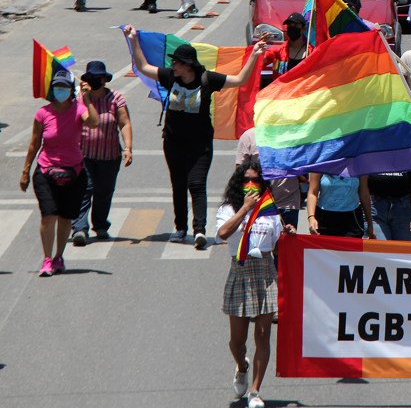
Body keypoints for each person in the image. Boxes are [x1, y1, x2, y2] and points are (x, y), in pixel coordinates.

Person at [124, 25, 266, 248]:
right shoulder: (170, 76)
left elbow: (240, 80)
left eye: (176, 62)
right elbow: (143, 67)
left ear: (188, 65)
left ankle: (199, 230)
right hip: (173, 142)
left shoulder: (207, 79)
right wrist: (133, 39)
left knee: (197, 184)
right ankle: (180, 228)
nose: (172, 65)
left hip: (200, 144)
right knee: (178, 184)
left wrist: (255, 54)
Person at [216, 160, 295, 408]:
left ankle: (255, 391)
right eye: (246, 180)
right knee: (237, 341)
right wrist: (245, 209)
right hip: (240, 271)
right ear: (238, 184)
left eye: (256, 181)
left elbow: (278, 247)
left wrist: (288, 236)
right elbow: (222, 233)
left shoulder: (270, 210)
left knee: (262, 335)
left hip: (265, 274)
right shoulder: (229, 208)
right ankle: (242, 366)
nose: (251, 185)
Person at [21, 70, 99, 276]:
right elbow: (34, 143)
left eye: (64, 87)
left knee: (65, 217)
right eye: (57, 87)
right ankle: (47, 259)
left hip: (74, 172)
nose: (60, 90)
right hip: (46, 171)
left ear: (72, 90)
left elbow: (93, 123)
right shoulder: (42, 113)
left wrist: (87, 99)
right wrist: (26, 170)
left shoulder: (79, 110)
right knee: (49, 215)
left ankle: (58, 257)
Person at [71, 62, 132, 246]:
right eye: (91, 77)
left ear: (105, 79)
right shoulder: (78, 99)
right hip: (84, 155)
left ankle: (100, 225)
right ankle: (79, 228)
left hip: (109, 155)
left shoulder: (115, 98)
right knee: (84, 190)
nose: (95, 80)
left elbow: (124, 123)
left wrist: (128, 148)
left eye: (98, 77)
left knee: (104, 192)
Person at [234, 127, 302, 233]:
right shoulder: (249, 136)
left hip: (287, 203)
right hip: (257, 204)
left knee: (285, 243)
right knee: (257, 243)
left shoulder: (294, 135)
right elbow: (240, 174)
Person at [306, 172, 373, 239]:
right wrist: (311, 217)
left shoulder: (358, 167)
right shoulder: (319, 166)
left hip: (352, 218)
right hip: (324, 218)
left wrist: (370, 224)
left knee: (350, 245)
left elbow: (364, 195)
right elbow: (312, 193)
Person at [262, 13, 309, 80]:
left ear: (304, 29)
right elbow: (259, 63)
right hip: (281, 86)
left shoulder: (311, 52)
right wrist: (258, 49)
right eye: (289, 26)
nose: (292, 29)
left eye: (296, 26)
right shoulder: (277, 51)